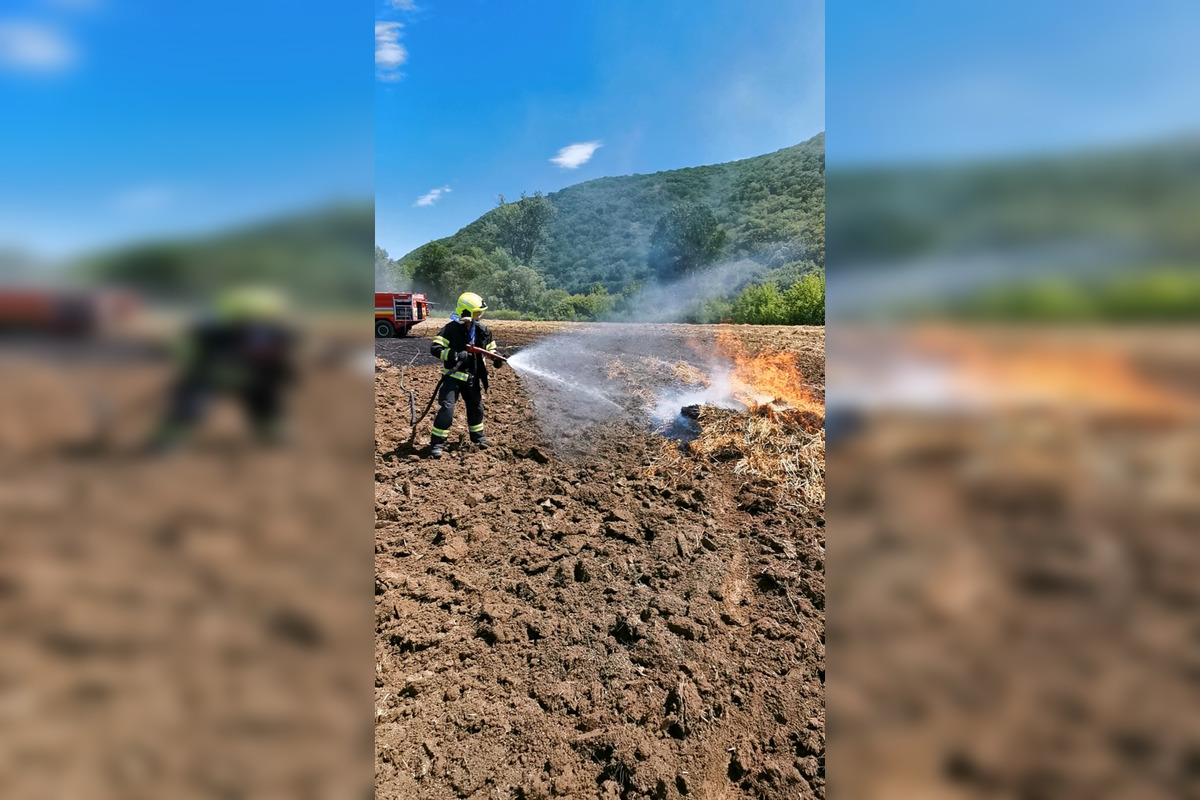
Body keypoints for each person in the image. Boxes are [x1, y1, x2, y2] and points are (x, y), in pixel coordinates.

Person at [148, 287, 297, 452]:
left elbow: (287, 352)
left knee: (266, 401)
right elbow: (184, 348)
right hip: (210, 376)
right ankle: (168, 438)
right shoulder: (210, 331)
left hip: (249, 377)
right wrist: (197, 361)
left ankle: (272, 430)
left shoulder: (276, 334)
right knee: (189, 406)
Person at [427, 291, 502, 458]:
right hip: (452, 378)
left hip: (473, 379)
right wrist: (455, 355)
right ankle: (437, 444)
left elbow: (491, 348)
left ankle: (478, 439)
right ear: (465, 312)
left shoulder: (483, 330)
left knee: (476, 409)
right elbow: (435, 349)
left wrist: (496, 358)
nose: (479, 316)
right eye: (476, 313)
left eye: (479, 313)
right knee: (447, 409)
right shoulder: (450, 329)